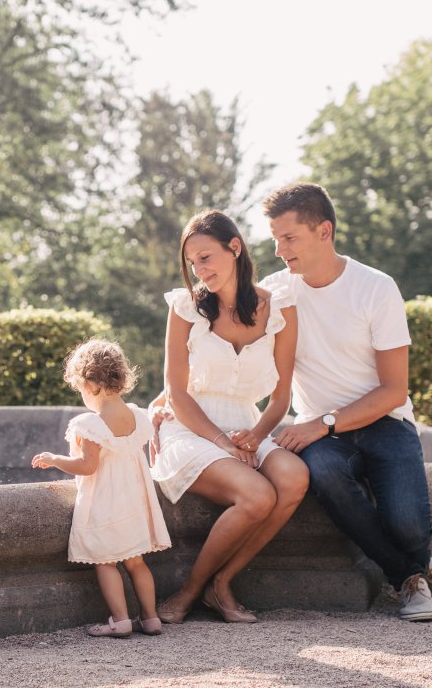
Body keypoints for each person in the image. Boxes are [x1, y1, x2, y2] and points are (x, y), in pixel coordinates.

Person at [261, 182, 432, 622]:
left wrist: (323, 423)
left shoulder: (376, 288)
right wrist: (169, 400)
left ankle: (419, 556)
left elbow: (394, 390)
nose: (279, 250)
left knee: (408, 522)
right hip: (324, 436)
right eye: (275, 239)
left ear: (324, 231)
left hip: (385, 420)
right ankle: (410, 576)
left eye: (289, 238)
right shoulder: (275, 291)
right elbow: (226, 349)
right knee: (327, 476)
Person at [147, 210, 308, 625]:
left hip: (247, 425)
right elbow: (177, 393)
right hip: (190, 427)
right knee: (257, 495)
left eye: (206, 257)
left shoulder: (279, 309)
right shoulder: (185, 308)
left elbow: (281, 396)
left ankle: (222, 583)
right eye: (192, 263)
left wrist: (254, 437)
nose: (199, 270)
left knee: (294, 477)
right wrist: (224, 443)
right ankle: (188, 591)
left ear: (234, 248)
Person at [31, 339, 171, 638]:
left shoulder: (91, 424)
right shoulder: (137, 415)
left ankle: (120, 620)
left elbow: (87, 466)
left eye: (80, 388)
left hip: (106, 502)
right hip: (134, 501)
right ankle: (151, 618)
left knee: (106, 561)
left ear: (89, 384)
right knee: (136, 562)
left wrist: (56, 459)